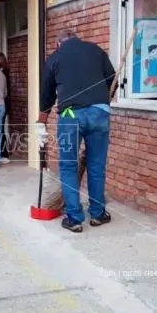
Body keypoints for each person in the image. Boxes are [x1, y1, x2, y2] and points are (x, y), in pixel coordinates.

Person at [35, 29, 116, 233]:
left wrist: (41, 121)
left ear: (58, 43)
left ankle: (74, 218)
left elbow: (46, 94)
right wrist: (103, 98)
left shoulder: (55, 58)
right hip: (99, 112)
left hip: (71, 115)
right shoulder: (96, 50)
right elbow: (112, 78)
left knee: (69, 166)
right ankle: (98, 214)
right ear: (76, 38)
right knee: (96, 165)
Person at [0, 51, 12, 164]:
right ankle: (1, 153)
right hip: (4, 103)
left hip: (2, 103)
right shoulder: (4, 72)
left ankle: (4, 153)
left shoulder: (2, 73)